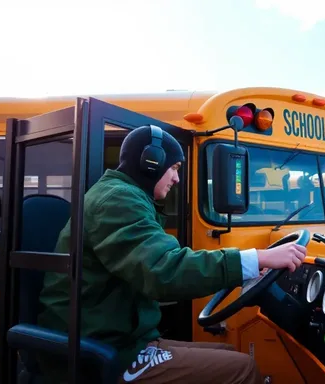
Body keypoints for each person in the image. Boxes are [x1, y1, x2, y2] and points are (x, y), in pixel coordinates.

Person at [37, 125, 307, 383]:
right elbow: (165, 270)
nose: (177, 178)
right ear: (150, 163)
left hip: (116, 338)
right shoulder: (117, 200)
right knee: (243, 368)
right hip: (103, 351)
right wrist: (256, 258)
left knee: (229, 356)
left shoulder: (124, 196)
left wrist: (246, 265)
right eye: (175, 168)